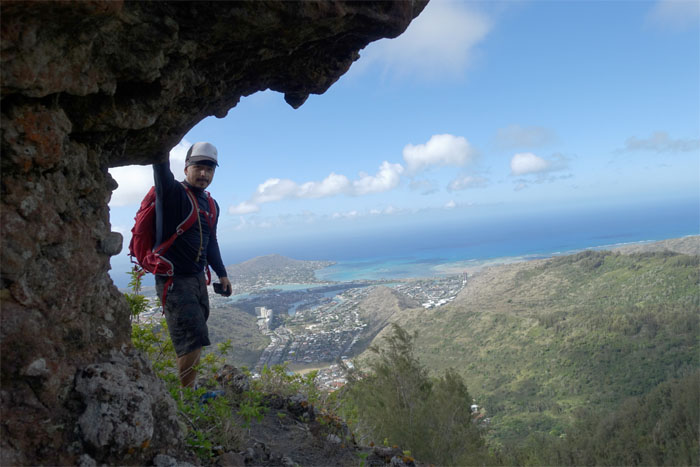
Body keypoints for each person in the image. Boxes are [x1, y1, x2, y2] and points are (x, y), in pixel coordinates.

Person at [153, 141, 232, 387]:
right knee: (192, 338)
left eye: (209, 169)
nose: (203, 174)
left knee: (195, 335)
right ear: (186, 167)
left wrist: (222, 274)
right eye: (198, 167)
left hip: (198, 279)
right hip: (175, 281)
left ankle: (190, 389)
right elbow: (160, 167)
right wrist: (163, 135)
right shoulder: (172, 194)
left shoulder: (210, 204)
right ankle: (186, 396)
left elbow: (211, 242)